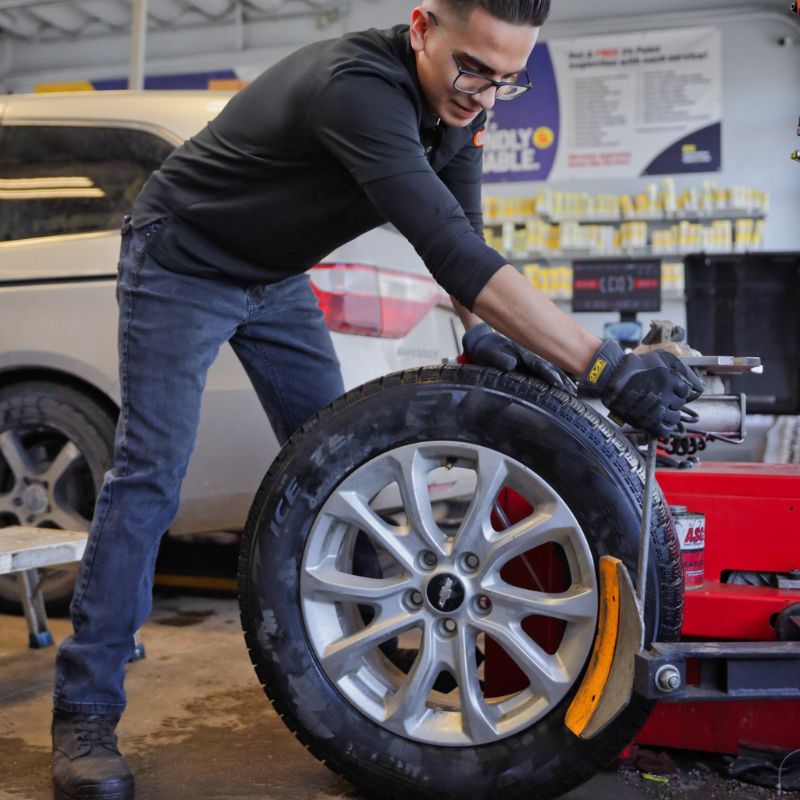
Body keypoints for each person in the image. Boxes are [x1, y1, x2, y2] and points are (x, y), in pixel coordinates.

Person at [51, 1, 703, 798]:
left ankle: (362, 656)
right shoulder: (355, 87)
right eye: (474, 69)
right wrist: (604, 364)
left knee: (342, 473)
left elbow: (465, 231)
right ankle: (84, 710)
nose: (486, 96)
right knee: (151, 476)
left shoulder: (459, 109)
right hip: (183, 259)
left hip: (276, 277)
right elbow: (450, 251)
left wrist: (487, 337)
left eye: (508, 79)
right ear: (422, 26)